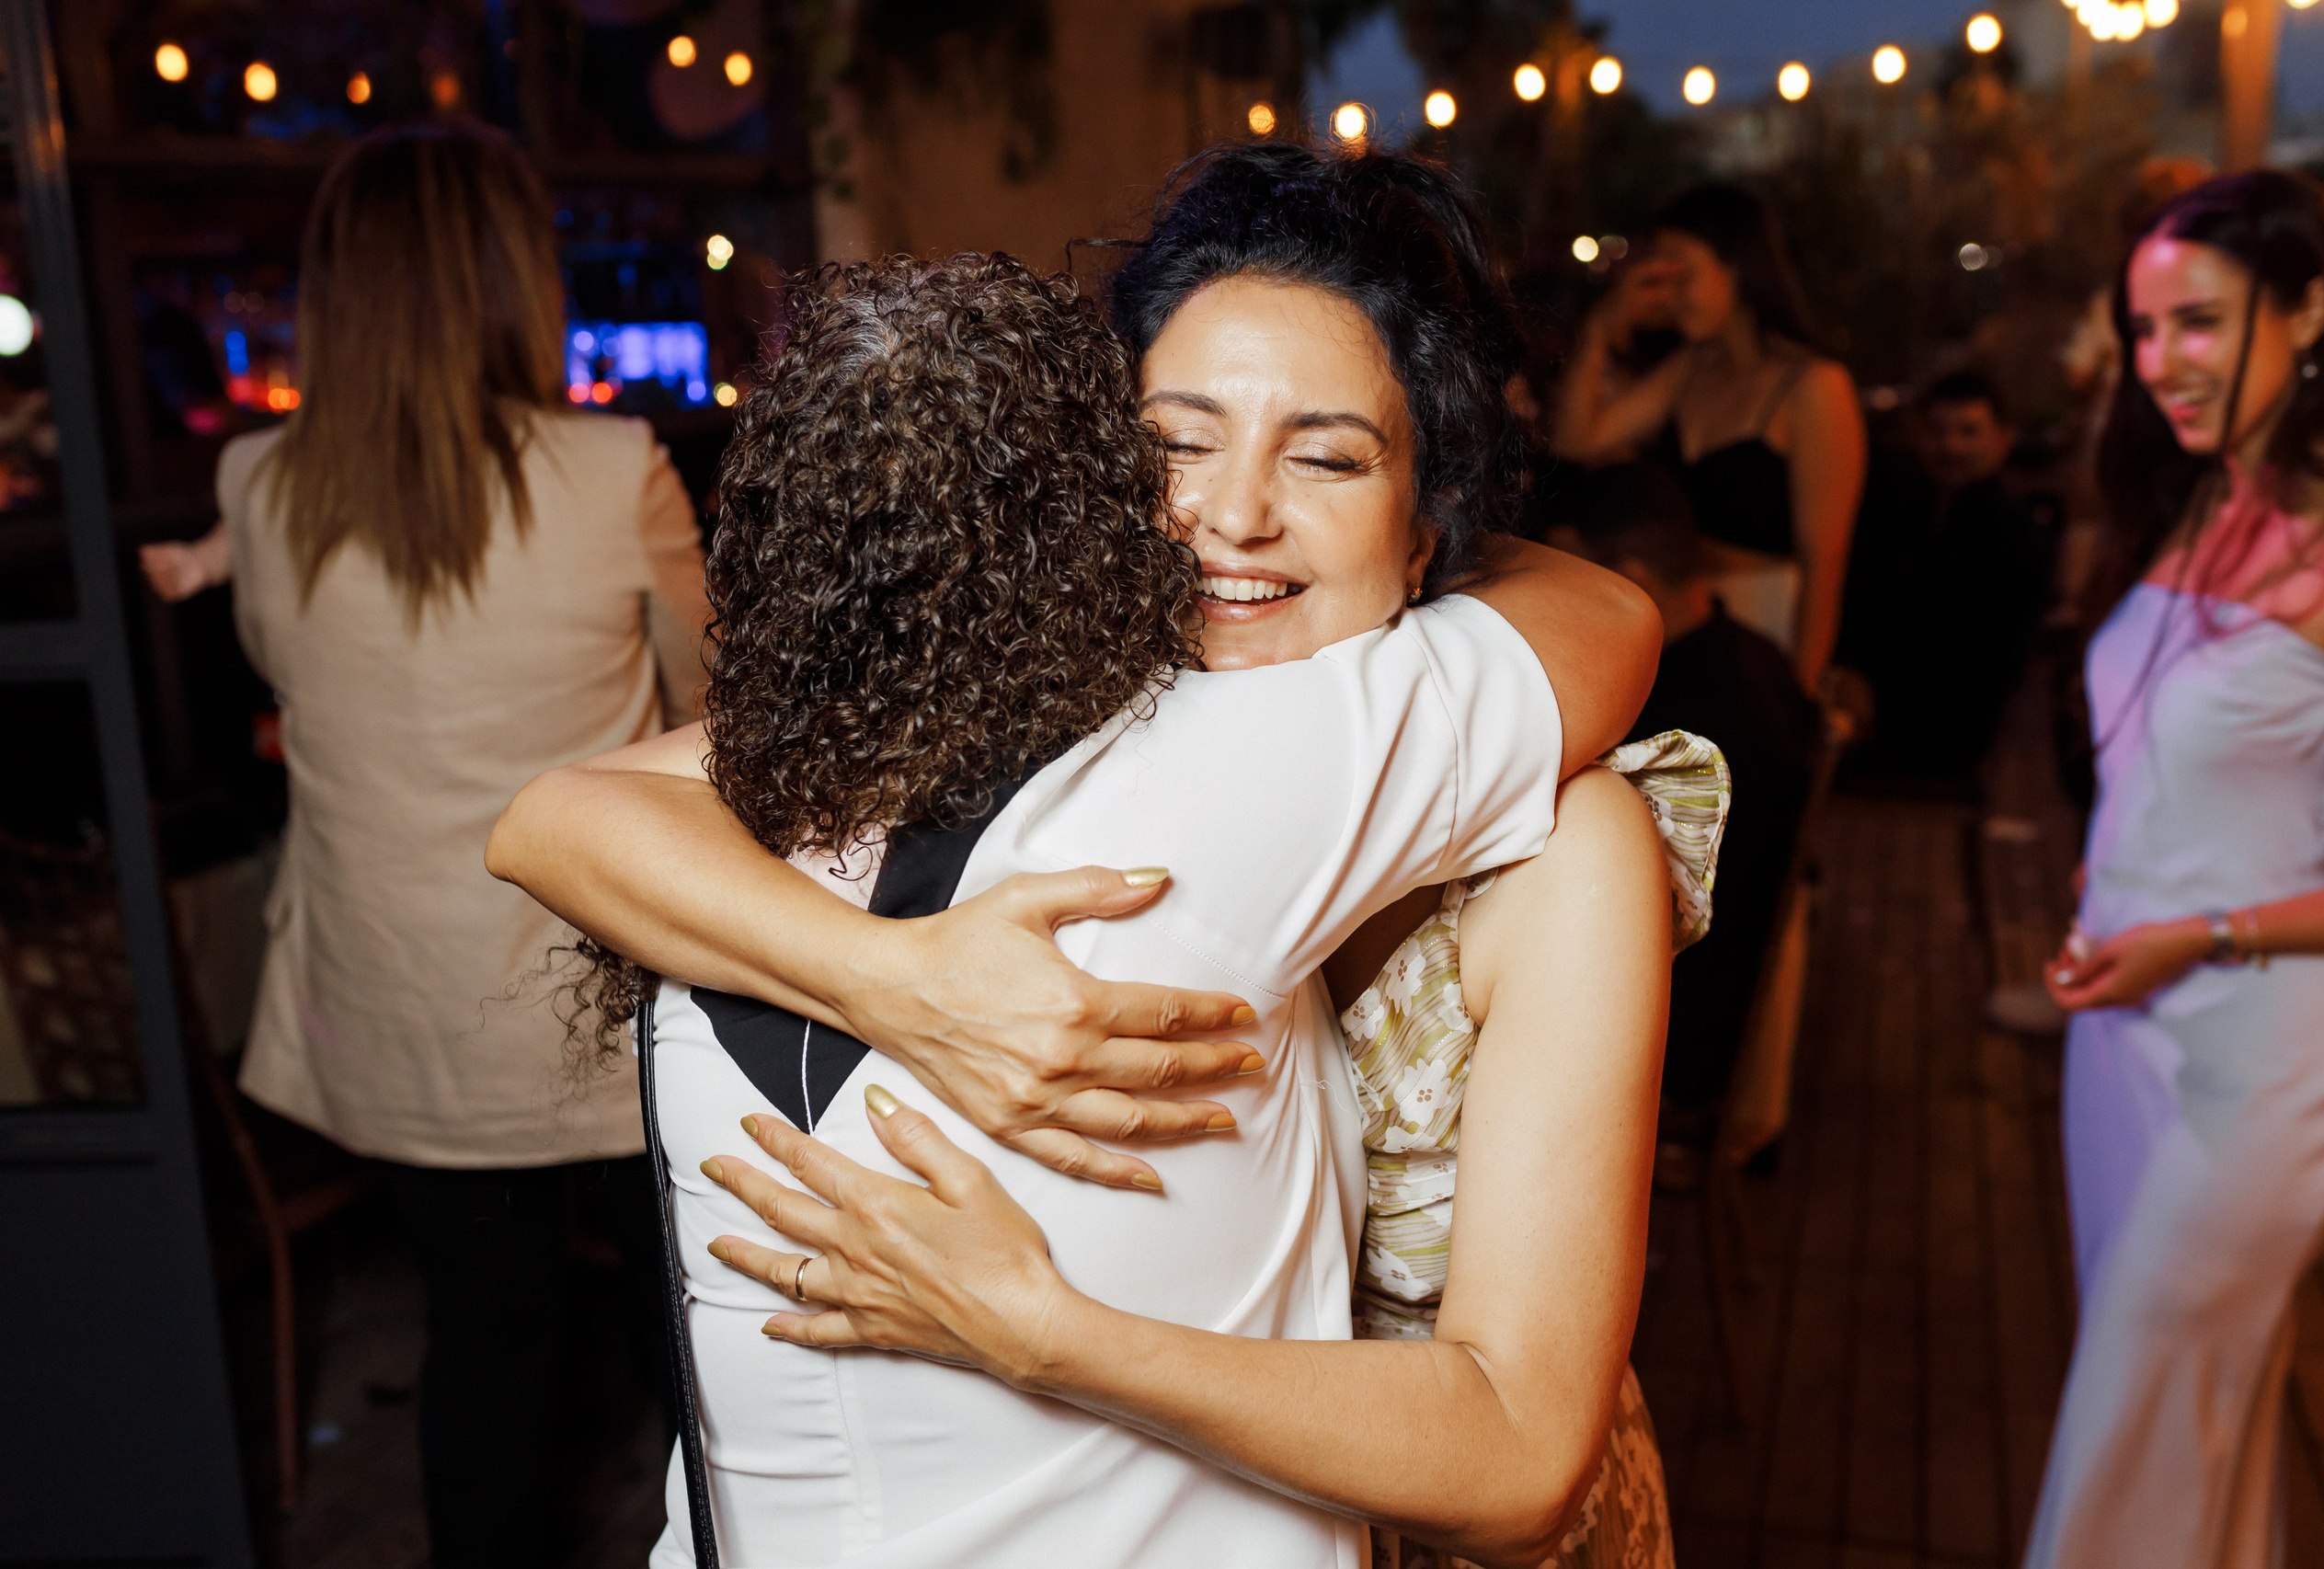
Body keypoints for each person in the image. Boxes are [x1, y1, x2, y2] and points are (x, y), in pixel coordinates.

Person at [489, 144, 1679, 1568]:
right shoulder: (1035, 721)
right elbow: (561, 814)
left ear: (1428, 531)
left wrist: (1056, 1334)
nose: (1235, 514)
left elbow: (1521, 1447)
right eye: (1176, 442)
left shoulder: (1545, 831)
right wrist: (895, 979)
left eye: (1327, 455)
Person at [143, 123, 710, 1568]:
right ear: (514, 279)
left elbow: (289, 671)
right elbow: (720, 709)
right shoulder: (612, 468)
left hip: (404, 1020)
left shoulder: (260, 489)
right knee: (698, 1362)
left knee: (487, 1336)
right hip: (601, 1012)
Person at [2031, 168, 2324, 1568]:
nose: (2163, 362)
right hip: (2120, 1032)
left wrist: (2200, 931)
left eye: (2203, 322)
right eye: (2145, 328)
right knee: (2193, 1413)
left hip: (2259, 1055)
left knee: (2132, 1421)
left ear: (2312, 309)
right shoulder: (2190, 505)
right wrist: (2114, 912)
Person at [1569, 463, 1815, 1151]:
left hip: (1685, 1028)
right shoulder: (1753, 657)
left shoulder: (1684, 722)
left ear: (1630, 575)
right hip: (1716, 993)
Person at [1553, 182, 1866, 693]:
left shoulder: (1814, 386)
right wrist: (1599, 329)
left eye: (1681, 275)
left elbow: (1825, 563)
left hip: (1771, 625)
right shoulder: (1690, 370)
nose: (1667, 296)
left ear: (1737, 268)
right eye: (1658, 278)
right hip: (1690, 627)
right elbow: (1577, 440)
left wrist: (1801, 697)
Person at [1838, 370, 2049, 783]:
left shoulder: (2015, 533)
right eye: (1937, 432)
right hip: (1869, 727)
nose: (1951, 446)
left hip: (1949, 740)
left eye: (1968, 432)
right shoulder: (1892, 513)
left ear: (2001, 439)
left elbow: (1995, 654)